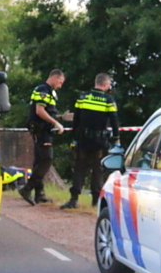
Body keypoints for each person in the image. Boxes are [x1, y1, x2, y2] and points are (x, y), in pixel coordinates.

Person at [60, 73, 119, 209]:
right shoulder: (108, 99)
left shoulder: (83, 97)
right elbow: (114, 121)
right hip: (99, 140)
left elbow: (76, 119)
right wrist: (116, 138)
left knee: (80, 168)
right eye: (109, 85)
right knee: (97, 169)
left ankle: (73, 199)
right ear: (104, 85)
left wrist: (74, 137)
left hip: (83, 139)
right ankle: (95, 200)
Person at [18, 69, 66, 206]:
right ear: (55, 77)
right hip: (41, 129)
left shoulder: (49, 91)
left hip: (44, 129)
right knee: (47, 159)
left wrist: (61, 117)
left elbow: (48, 111)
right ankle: (27, 189)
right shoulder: (42, 90)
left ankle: (40, 194)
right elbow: (40, 111)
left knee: (39, 161)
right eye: (60, 82)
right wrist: (56, 122)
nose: (60, 85)